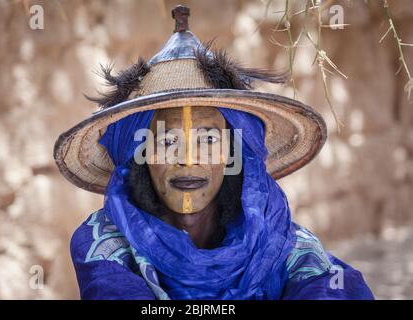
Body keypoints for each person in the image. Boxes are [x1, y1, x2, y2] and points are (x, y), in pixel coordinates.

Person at [54, 5, 374, 300]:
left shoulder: (280, 242)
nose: (189, 159)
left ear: (233, 154)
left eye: (208, 141)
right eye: (167, 142)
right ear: (141, 156)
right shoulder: (105, 243)